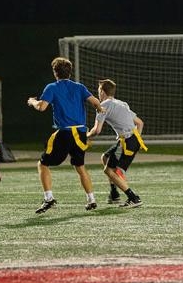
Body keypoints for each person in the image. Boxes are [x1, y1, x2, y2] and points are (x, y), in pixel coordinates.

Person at [27, 57, 105, 214]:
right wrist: (99, 110)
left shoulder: (52, 87)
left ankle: (49, 199)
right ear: (70, 72)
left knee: (42, 164)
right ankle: (91, 199)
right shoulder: (79, 87)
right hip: (81, 133)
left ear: (55, 72)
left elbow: (42, 107)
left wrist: (32, 102)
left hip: (66, 133)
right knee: (80, 167)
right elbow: (96, 102)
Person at [87, 79, 146, 208]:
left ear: (102, 91)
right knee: (105, 157)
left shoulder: (103, 105)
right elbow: (140, 123)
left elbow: (97, 130)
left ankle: (133, 198)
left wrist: (86, 136)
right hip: (133, 139)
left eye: (99, 91)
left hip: (126, 141)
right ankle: (114, 194)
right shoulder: (122, 103)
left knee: (109, 171)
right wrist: (137, 142)